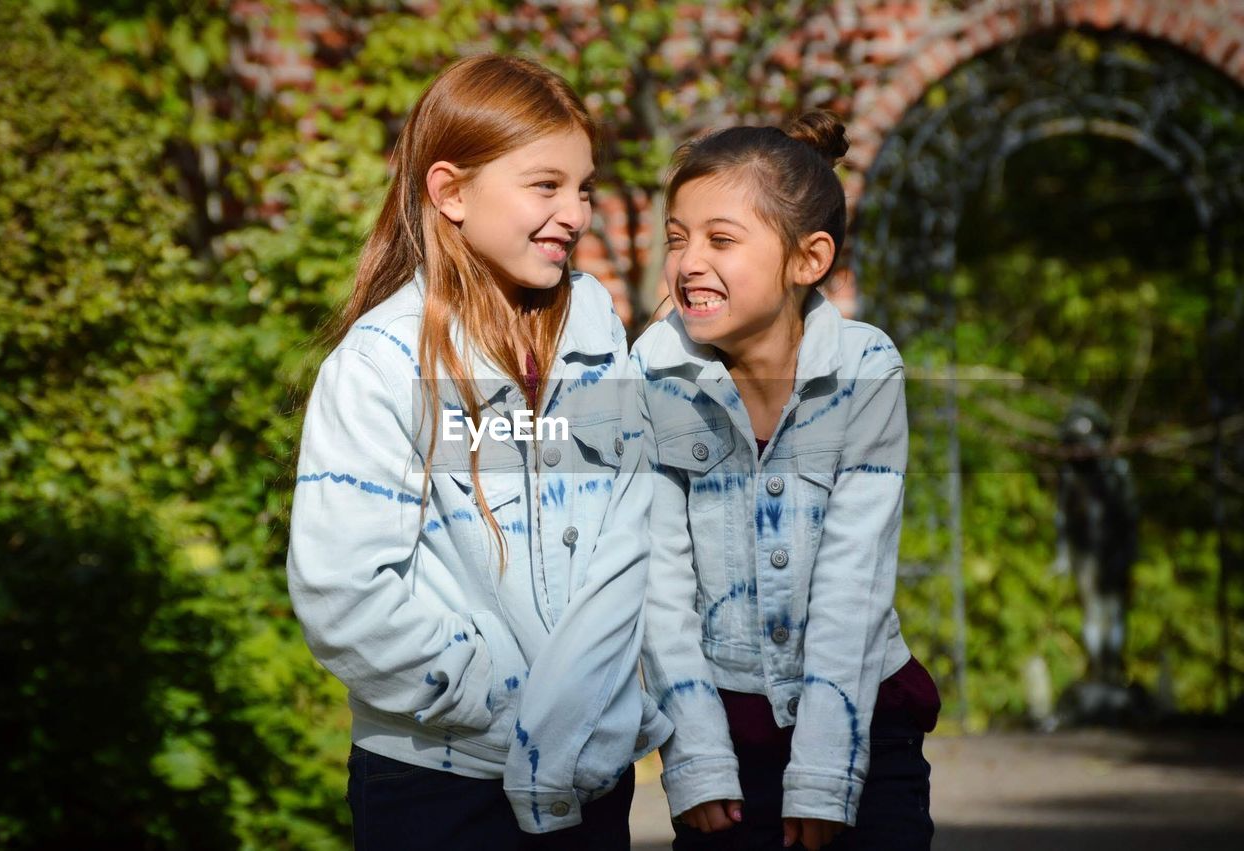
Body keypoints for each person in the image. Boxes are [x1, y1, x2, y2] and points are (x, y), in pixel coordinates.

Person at [287, 53, 669, 851]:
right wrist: (506, 698)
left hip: (589, 780)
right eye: (546, 184)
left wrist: (592, 709)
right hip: (438, 783)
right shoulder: (380, 365)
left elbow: (634, 540)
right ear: (450, 190)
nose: (576, 210)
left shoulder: (603, 345)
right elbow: (344, 592)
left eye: (584, 186)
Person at [634, 111, 939, 850]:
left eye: (722, 239)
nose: (689, 261)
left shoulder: (867, 367)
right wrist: (696, 759)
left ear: (808, 259)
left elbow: (853, 579)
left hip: (866, 728)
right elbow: (658, 582)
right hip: (725, 741)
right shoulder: (653, 371)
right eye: (678, 238)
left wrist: (827, 773)